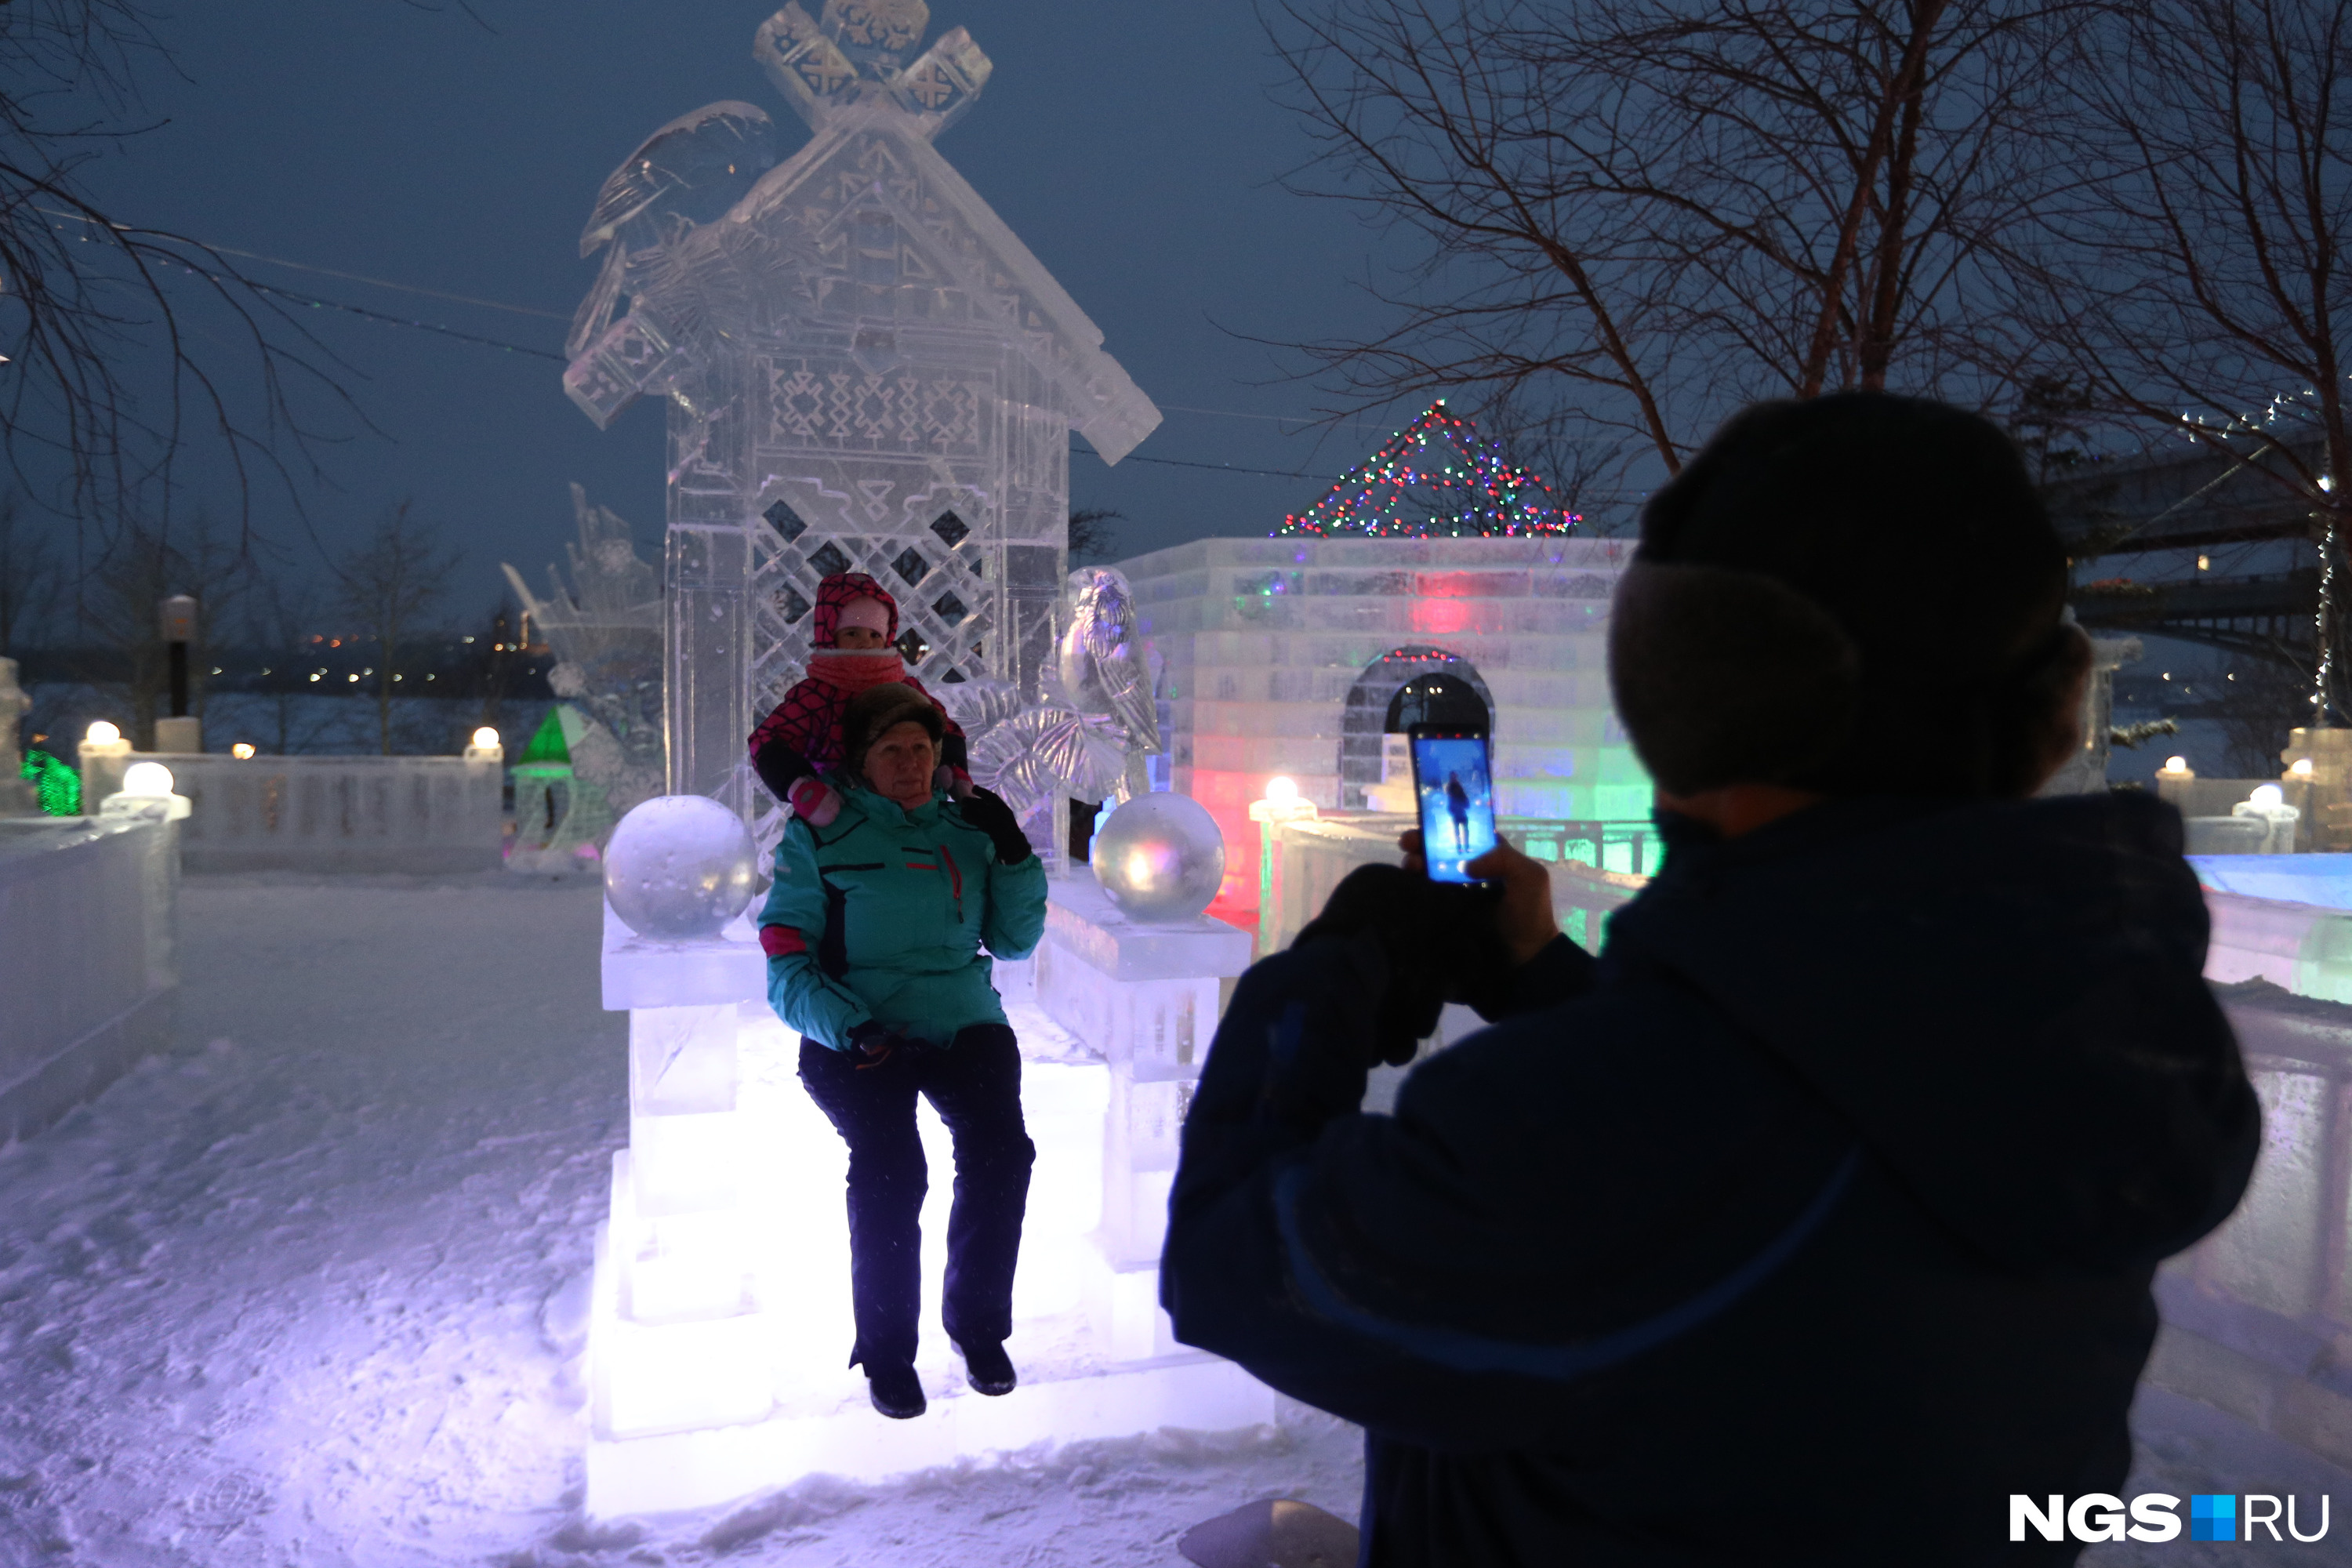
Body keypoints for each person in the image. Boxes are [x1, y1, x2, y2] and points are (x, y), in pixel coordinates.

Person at [1160, 391, 2260, 1565]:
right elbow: (1813, 1125)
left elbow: (1239, 1261)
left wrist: (1331, 971)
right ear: (2055, 707)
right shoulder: (2102, 1031)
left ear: (1684, 703)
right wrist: (1545, 980)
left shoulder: (1597, 1138)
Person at [758, 681, 1047, 1420]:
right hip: (858, 1027)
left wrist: (1013, 853)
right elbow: (786, 959)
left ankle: (978, 1329)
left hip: (961, 1015)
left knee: (1003, 1153)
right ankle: (887, 1354)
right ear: (860, 761)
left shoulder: (967, 833)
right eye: (892, 750)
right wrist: (851, 1024)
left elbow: (1014, 943)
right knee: (892, 1168)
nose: (911, 763)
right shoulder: (820, 832)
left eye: (922, 749)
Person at [748, 571, 970, 826]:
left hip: (911, 802)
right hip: (840, 810)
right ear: (830, 634)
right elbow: (769, 742)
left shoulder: (904, 686)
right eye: (853, 633)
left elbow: (943, 726)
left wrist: (952, 769)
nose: (865, 642)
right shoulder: (816, 694)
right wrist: (802, 787)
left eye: (875, 635)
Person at [1443, 771, 1470, 854]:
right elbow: (1453, 799)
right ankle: (1462, 848)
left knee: (1462, 830)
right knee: (1460, 830)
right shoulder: (1453, 787)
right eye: (1454, 776)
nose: (1455, 778)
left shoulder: (1455, 787)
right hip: (1459, 812)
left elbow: (1463, 797)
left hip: (1459, 812)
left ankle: (1463, 847)